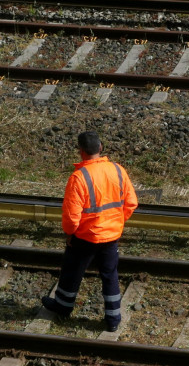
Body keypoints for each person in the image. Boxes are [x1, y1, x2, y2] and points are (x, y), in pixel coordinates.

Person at [41, 131, 138, 332]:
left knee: (71, 272)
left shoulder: (79, 178)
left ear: (81, 151)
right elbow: (131, 203)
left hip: (85, 237)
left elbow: (71, 215)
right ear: (101, 148)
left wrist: (70, 233)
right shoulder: (118, 170)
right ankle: (113, 319)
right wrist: (116, 222)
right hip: (111, 237)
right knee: (110, 276)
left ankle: (63, 307)